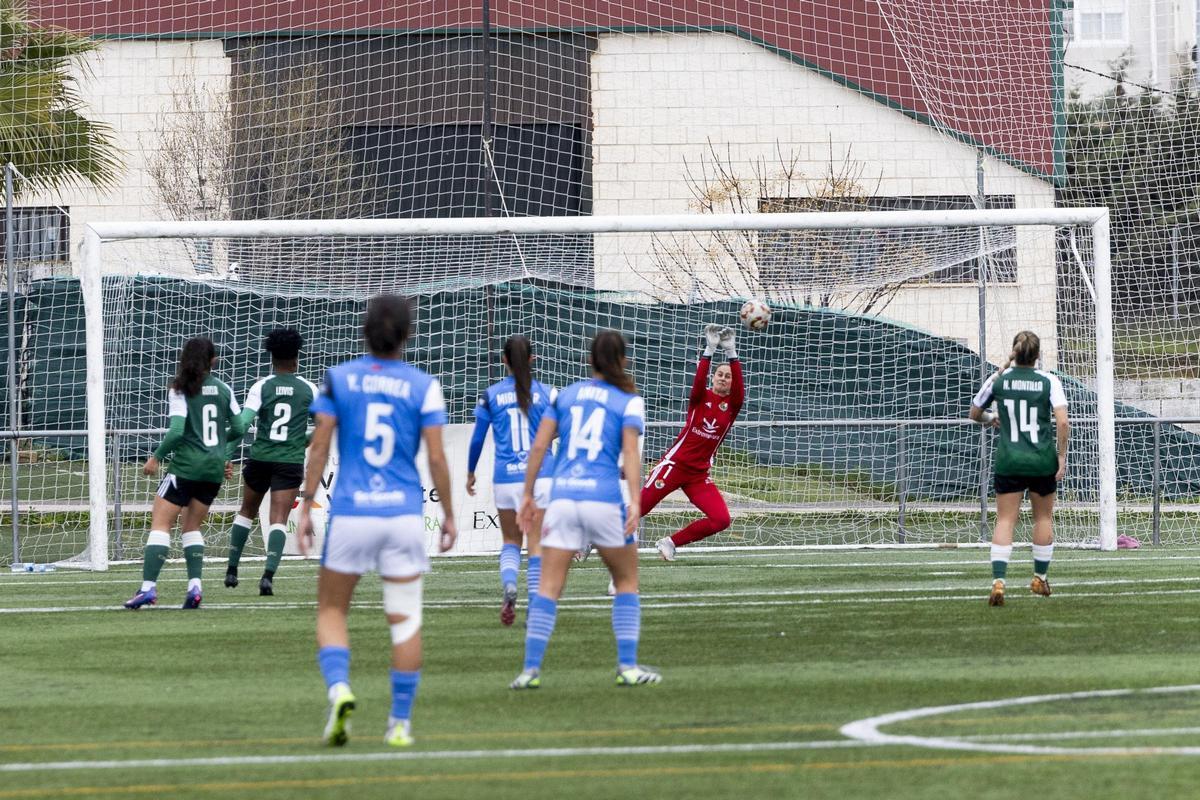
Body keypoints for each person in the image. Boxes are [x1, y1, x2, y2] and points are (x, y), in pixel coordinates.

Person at [296, 294, 456, 748]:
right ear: (407, 334)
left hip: (351, 513)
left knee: (331, 610)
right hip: (403, 515)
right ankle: (400, 723)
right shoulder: (424, 384)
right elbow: (438, 458)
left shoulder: (338, 379)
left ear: (364, 331)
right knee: (405, 620)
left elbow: (319, 448)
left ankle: (340, 689)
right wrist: (447, 514)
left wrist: (307, 505)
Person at [510, 329, 659, 689]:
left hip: (562, 500)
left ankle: (530, 671)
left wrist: (528, 494)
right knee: (625, 581)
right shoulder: (628, 400)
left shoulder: (566, 396)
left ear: (590, 360)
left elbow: (539, 447)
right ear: (623, 361)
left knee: (548, 587)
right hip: (603, 499)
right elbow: (630, 456)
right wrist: (636, 501)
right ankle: (627, 667)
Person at [124, 337, 248, 610]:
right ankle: (195, 586)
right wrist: (219, 451)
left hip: (186, 467)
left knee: (160, 524)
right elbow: (239, 429)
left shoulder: (180, 388)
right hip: (213, 470)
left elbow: (178, 431)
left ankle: (147, 589)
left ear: (184, 359)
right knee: (192, 527)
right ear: (213, 361)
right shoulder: (224, 388)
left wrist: (155, 457)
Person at [969, 330, 1069, 606]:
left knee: (1005, 521)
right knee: (1043, 519)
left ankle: (999, 582)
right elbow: (1062, 422)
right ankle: (1039, 577)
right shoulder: (1049, 381)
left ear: (1015, 352)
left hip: (1009, 460)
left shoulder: (999, 379)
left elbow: (975, 413)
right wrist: (1061, 457)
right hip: (1041, 461)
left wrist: (992, 419)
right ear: (1037, 355)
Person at [466, 335, 556, 626]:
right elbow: (563, 430)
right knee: (537, 543)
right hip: (541, 476)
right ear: (533, 359)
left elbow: (478, 437)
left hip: (505, 477)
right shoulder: (548, 393)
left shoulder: (490, 395)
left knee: (510, 541)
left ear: (504, 360)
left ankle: (509, 584)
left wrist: (470, 471)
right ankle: (535, 605)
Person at [224, 328, 318, 596]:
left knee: (246, 511)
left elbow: (242, 424)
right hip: (288, 461)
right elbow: (325, 426)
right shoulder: (309, 389)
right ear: (296, 357)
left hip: (261, 458)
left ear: (272, 357)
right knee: (279, 518)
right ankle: (267, 576)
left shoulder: (261, 386)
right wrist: (303, 440)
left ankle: (232, 569)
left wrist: (227, 454)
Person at [645, 323, 744, 561]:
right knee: (640, 508)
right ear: (714, 378)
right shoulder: (701, 398)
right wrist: (709, 350)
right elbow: (699, 381)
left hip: (698, 474)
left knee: (721, 519)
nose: (723, 378)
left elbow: (741, 391)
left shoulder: (732, 406)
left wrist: (732, 353)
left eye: (728, 376)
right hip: (675, 465)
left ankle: (670, 542)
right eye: (720, 374)